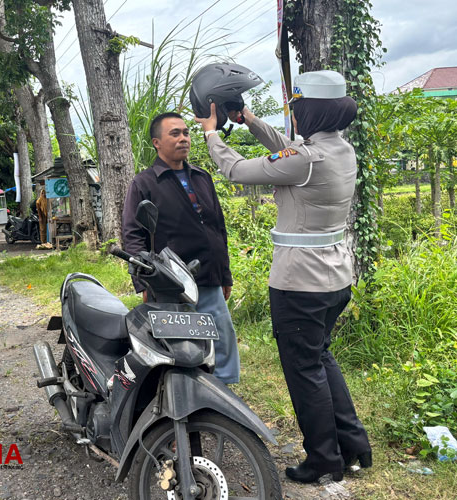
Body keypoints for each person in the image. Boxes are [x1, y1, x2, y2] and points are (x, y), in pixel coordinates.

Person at [194, 70, 372, 483]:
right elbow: (289, 152)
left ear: (310, 111)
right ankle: (353, 444)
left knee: (304, 369)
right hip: (335, 280)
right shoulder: (339, 149)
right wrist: (251, 121)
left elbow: (237, 170)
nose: (294, 114)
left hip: (299, 284)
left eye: (297, 107)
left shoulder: (307, 160)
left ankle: (324, 459)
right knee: (320, 356)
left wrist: (211, 134)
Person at [122, 112, 240, 385]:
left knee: (220, 338)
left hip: (208, 277)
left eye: (186, 133)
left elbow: (218, 228)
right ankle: (183, 400)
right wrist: (144, 283)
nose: (183, 138)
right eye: (174, 133)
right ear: (156, 142)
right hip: (170, 283)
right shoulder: (145, 182)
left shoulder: (202, 177)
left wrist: (225, 274)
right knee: (177, 347)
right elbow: (133, 235)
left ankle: (223, 398)